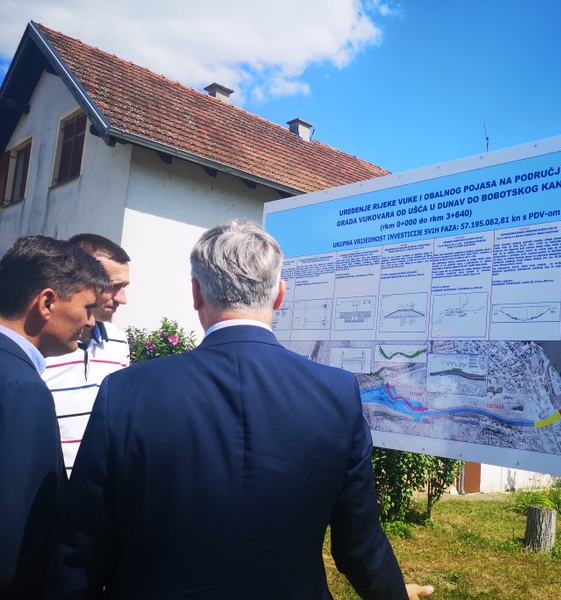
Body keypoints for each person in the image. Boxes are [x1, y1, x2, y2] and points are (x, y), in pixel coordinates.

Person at [55, 220, 432, 599]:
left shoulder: (125, 391)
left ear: (196, 293)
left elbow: (84, 547)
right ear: (279, 295)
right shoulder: (337, 393)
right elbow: (359, 545)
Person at [0, 235, 108, 598]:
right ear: (46, 302)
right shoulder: (22, 389)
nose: (91, 322)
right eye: (87, 307)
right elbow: (14, 546)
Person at [42, 234, 131, 476]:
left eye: (124, 287)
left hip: (97, 487)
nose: (122, 299)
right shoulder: (40, 343)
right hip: (44, 487)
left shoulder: (119, 342)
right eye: (112, 286)